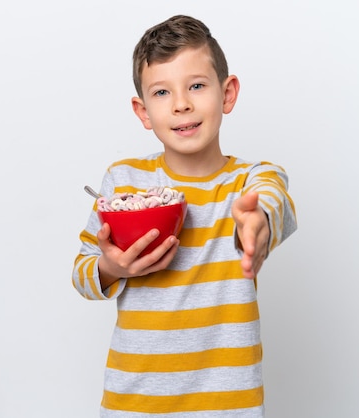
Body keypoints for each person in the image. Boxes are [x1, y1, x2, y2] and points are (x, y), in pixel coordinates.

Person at [72, 14, 297, 417]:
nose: (181, 104)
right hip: (134, 401)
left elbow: (272, 201)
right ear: (142, 112)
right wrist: (111, 267)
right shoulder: (123, 181)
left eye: (196, 85)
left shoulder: (250, 180)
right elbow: (83, 274)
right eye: (161, 92)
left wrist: (257, 222)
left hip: (229, 405)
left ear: (227, 94)